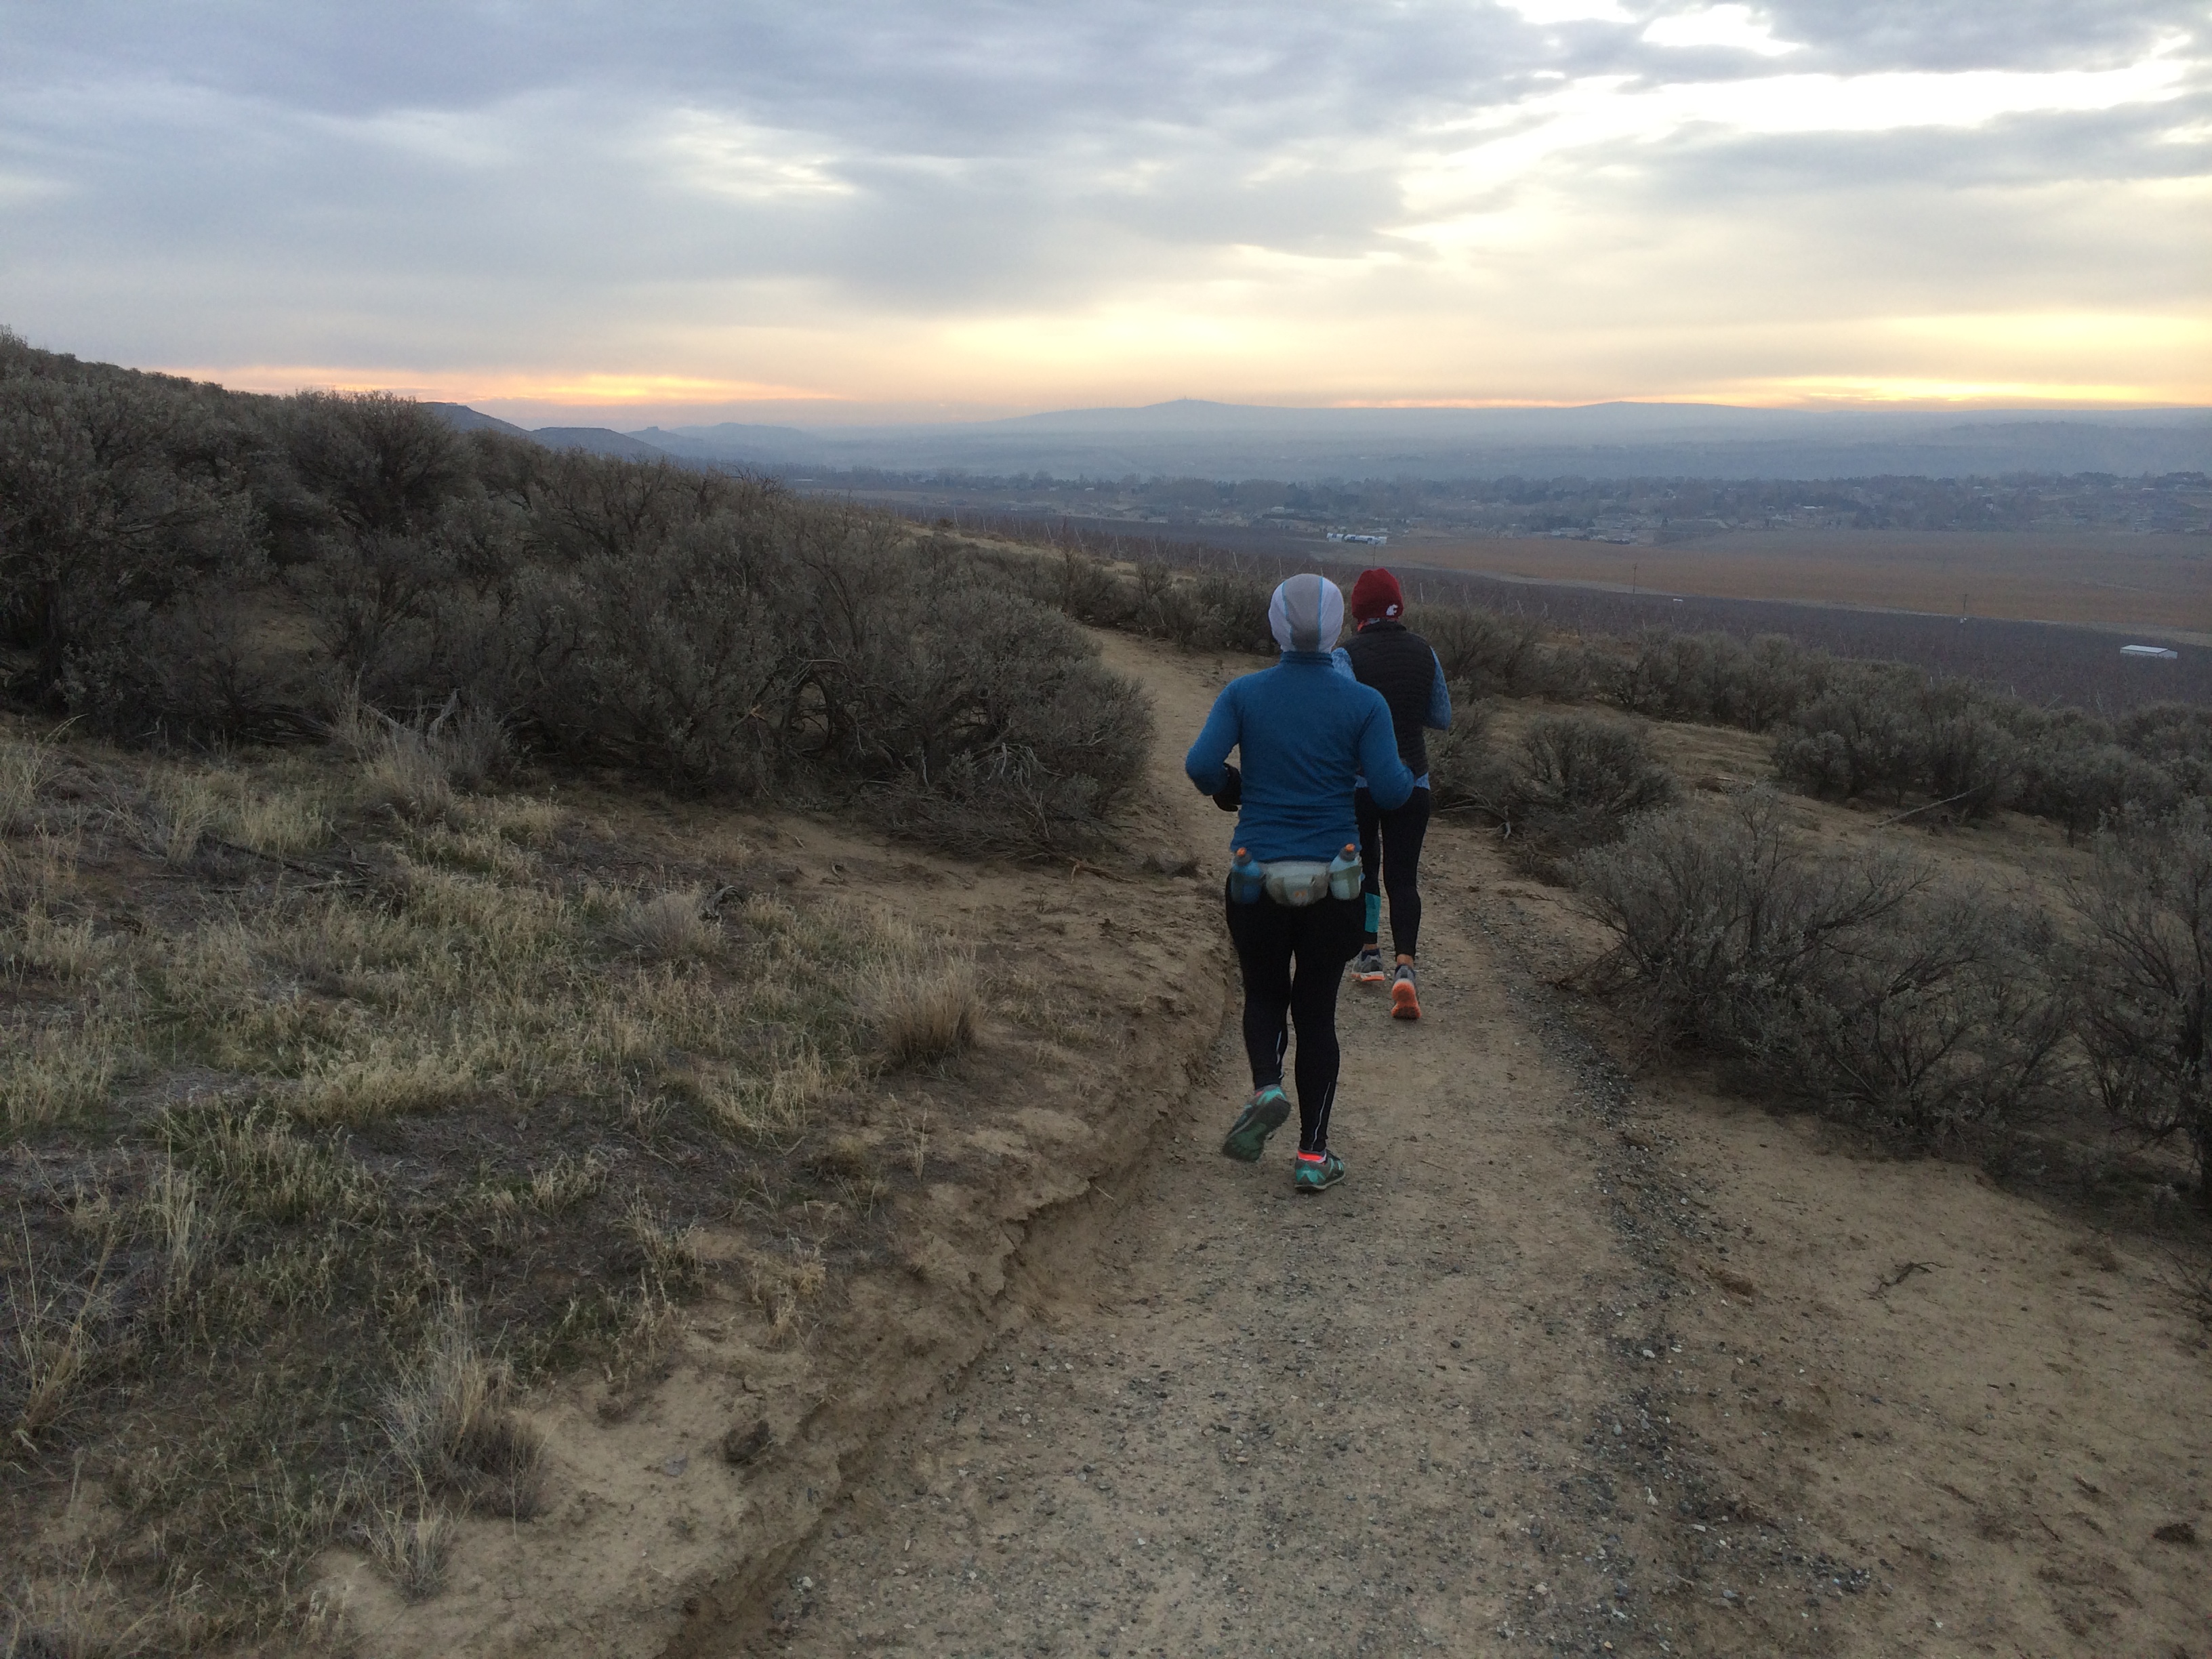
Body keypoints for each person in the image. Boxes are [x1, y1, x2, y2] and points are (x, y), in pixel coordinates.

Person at [1185, 573, 1414, 1193]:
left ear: (1276, 625)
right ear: (1338, 627)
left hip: (1254, 877)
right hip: (1333, 884)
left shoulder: (1243, 694)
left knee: (1263, 993)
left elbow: (1200, 765)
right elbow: (1392, 790)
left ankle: (1266, 1088)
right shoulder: (1364, 704)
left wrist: (1232, 788)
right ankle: (1313, 1156)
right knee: (1317, 1013)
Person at [1340, 567, 1451, 1021]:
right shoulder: (1425, 652)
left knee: (1364, 868)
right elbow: (1441, 717)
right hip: (1414, 780)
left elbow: (1341, 715)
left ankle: (1369, 954)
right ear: (1398, 606)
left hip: (1360, 784)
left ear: (1357, 610)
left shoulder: (1346, 655)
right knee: (1404, 878)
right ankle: (1407, 967)